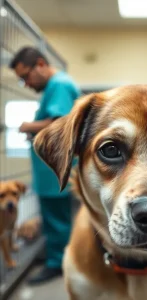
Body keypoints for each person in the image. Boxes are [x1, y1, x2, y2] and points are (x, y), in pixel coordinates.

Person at [10, 47, 80, 284]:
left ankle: (58, 264)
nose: (26, 83)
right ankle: (60, 259)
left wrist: (28, 126)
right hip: (51, 173)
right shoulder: (56, 86)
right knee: (57, 220)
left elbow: (59, 122)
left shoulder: (59, 84)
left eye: (25, 76)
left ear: (40, 64)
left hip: (54, 173)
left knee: (57, 222)